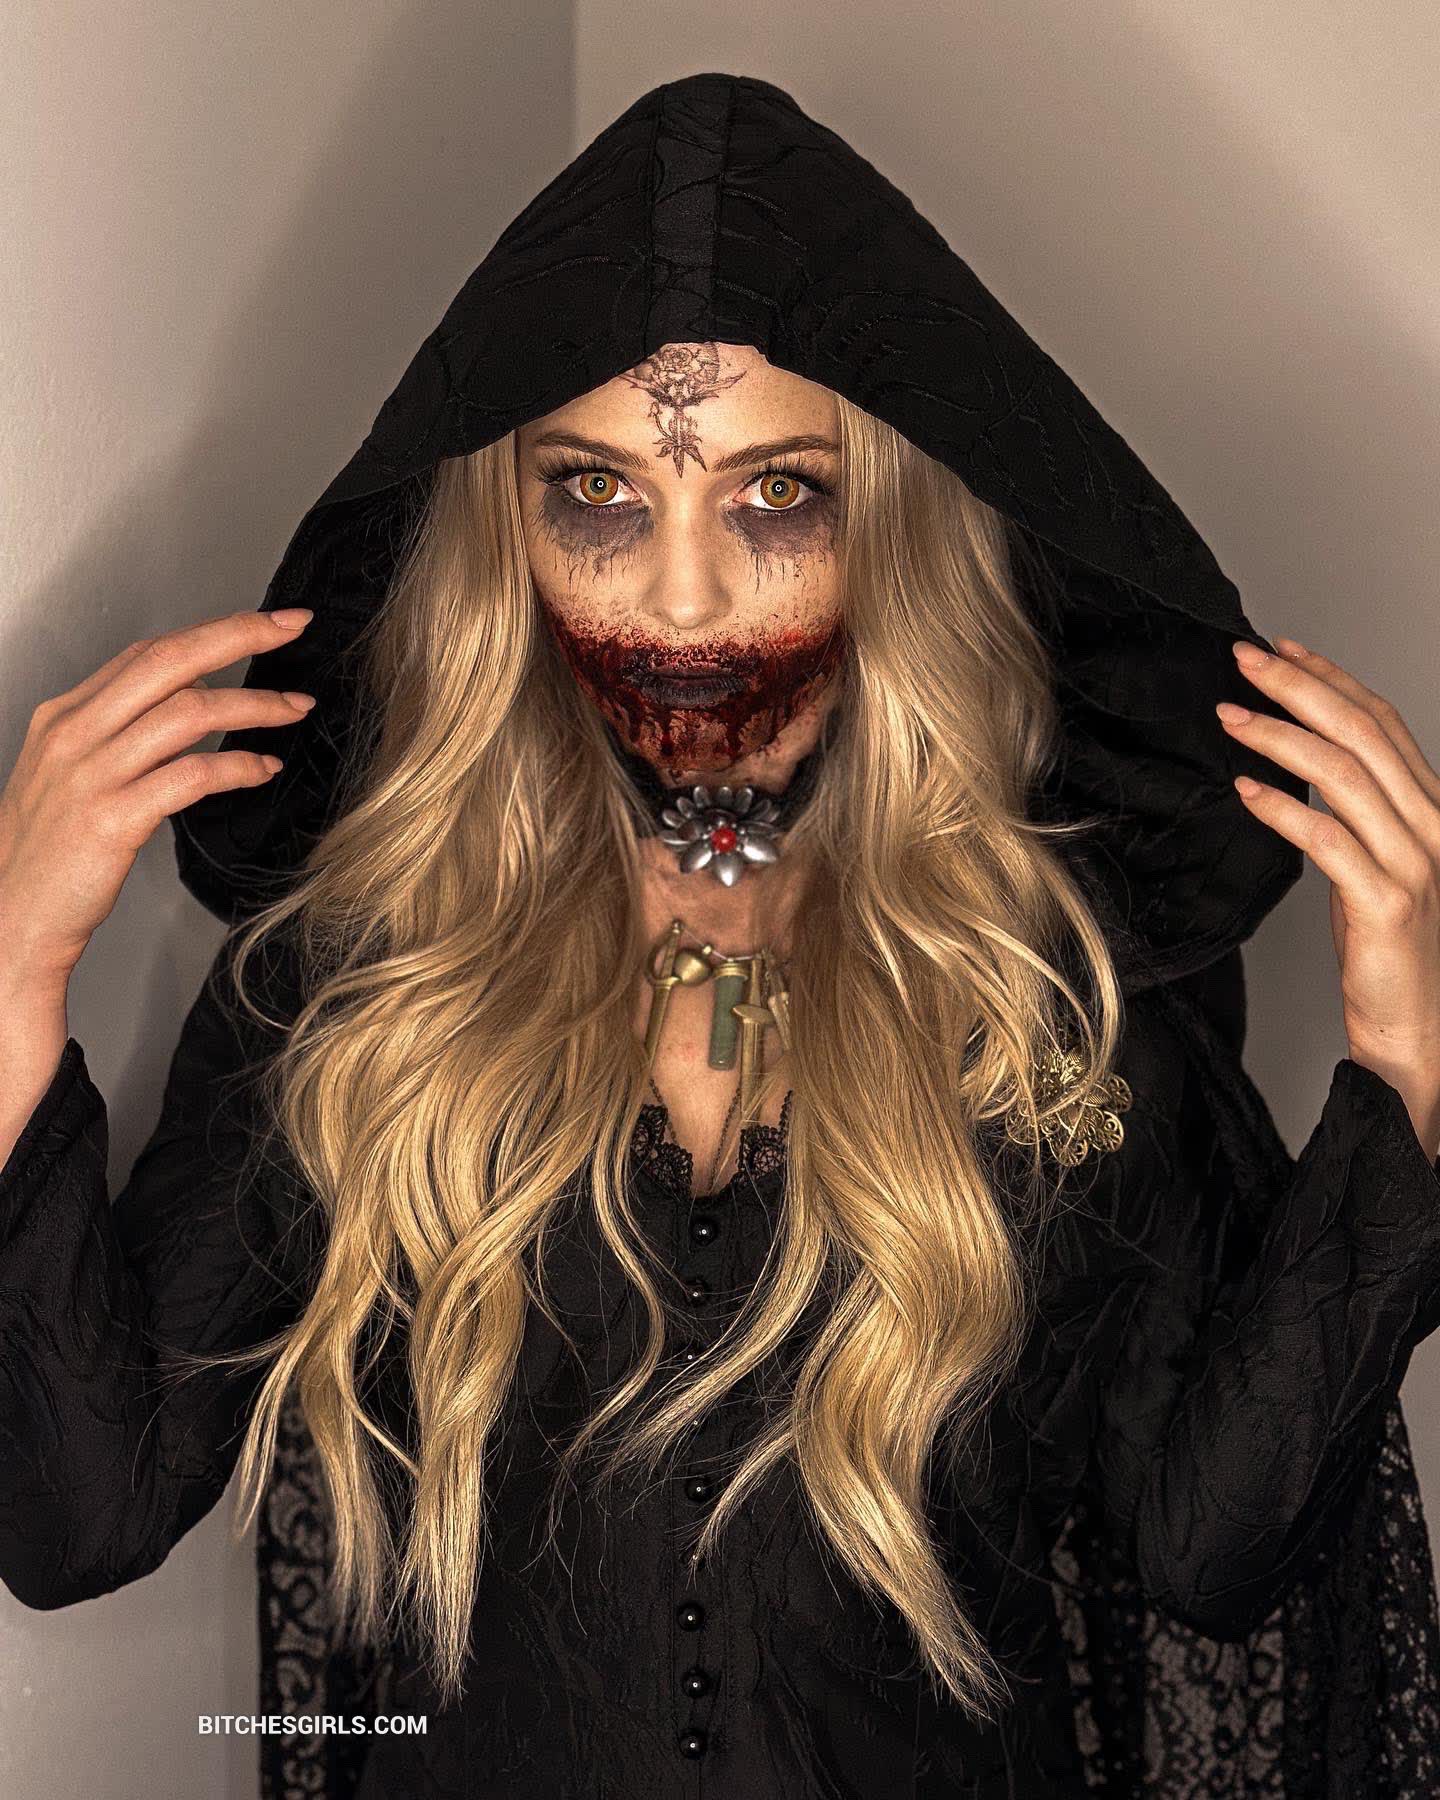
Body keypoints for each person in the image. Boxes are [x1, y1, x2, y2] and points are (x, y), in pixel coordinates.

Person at [2, 69, 1439, 1800]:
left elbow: (1216, 1544)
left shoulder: (1051, 989)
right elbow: (76, 1517)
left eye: (777, 498)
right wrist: (15, 973)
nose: (682, 596)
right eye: (596, 495)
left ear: (895, 525)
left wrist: (1411, 1073)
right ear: (505, 533)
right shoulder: (364, 980)